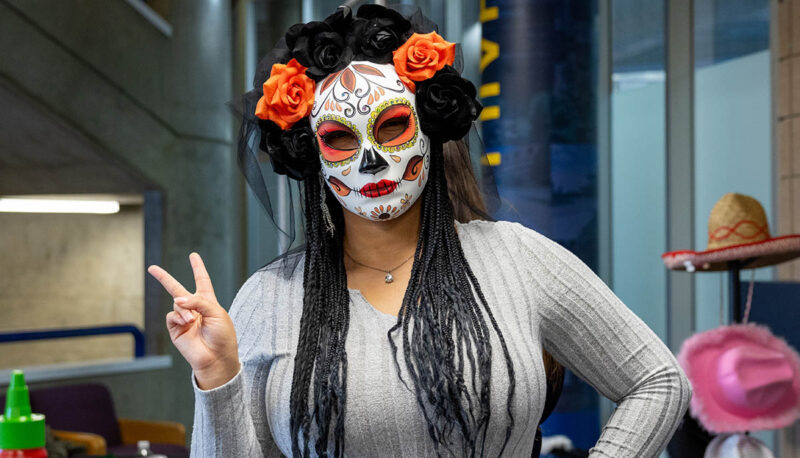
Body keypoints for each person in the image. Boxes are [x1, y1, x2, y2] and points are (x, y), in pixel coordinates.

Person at [147, 5, 691, 457]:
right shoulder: (271, 300)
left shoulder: (516, 259)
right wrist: (218, 375)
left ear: (428, 127)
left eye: (391, 126)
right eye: (340, 138)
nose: (370, 160)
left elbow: (659, 381)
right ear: (311, 154)